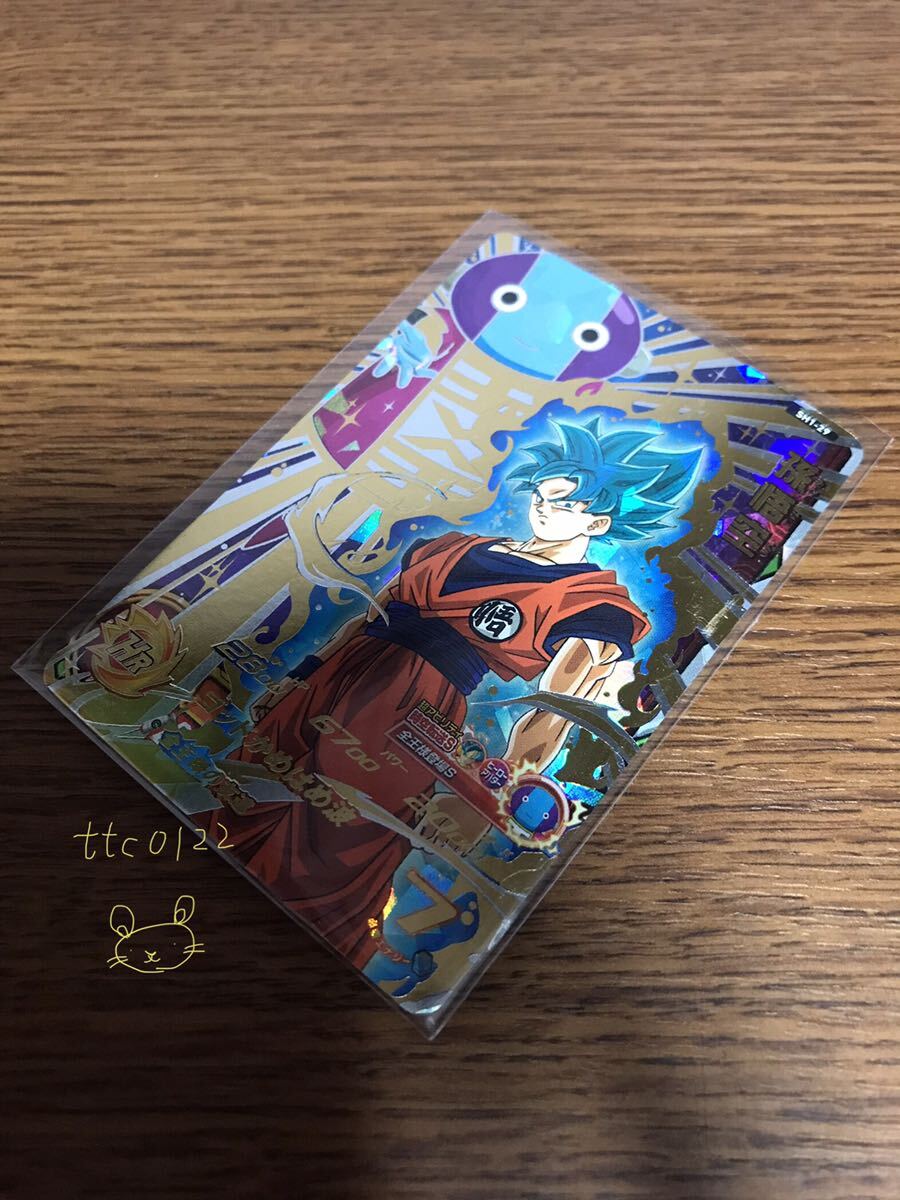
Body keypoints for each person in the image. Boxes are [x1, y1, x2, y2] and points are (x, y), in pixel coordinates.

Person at [204, 419, 701, 967]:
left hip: (413, 712)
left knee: (336, 843)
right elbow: (372, 616)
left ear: (598, 520)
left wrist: (487, 802)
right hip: (336, 678)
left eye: (562, 503)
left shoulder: (589, 601)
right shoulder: (454, 548)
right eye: (540, 496)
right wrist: (299, 675)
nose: (542, 510)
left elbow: (554, 711)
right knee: (243, 793)